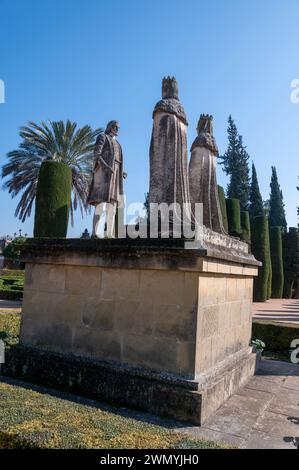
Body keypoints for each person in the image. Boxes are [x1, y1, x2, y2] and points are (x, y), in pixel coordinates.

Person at [87, 121, 127, 238]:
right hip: (104, 175)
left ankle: (109, 234)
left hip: (116, 175)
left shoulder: (118, 144)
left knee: (113, 206)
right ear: (110, 127)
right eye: (116, 127)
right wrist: (106, 167)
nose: (117, 130)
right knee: (101, 204)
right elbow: (97, 154)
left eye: (118, 128)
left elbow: (118, 162)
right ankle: (95, 233)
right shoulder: (102, 137)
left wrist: (121, 172)